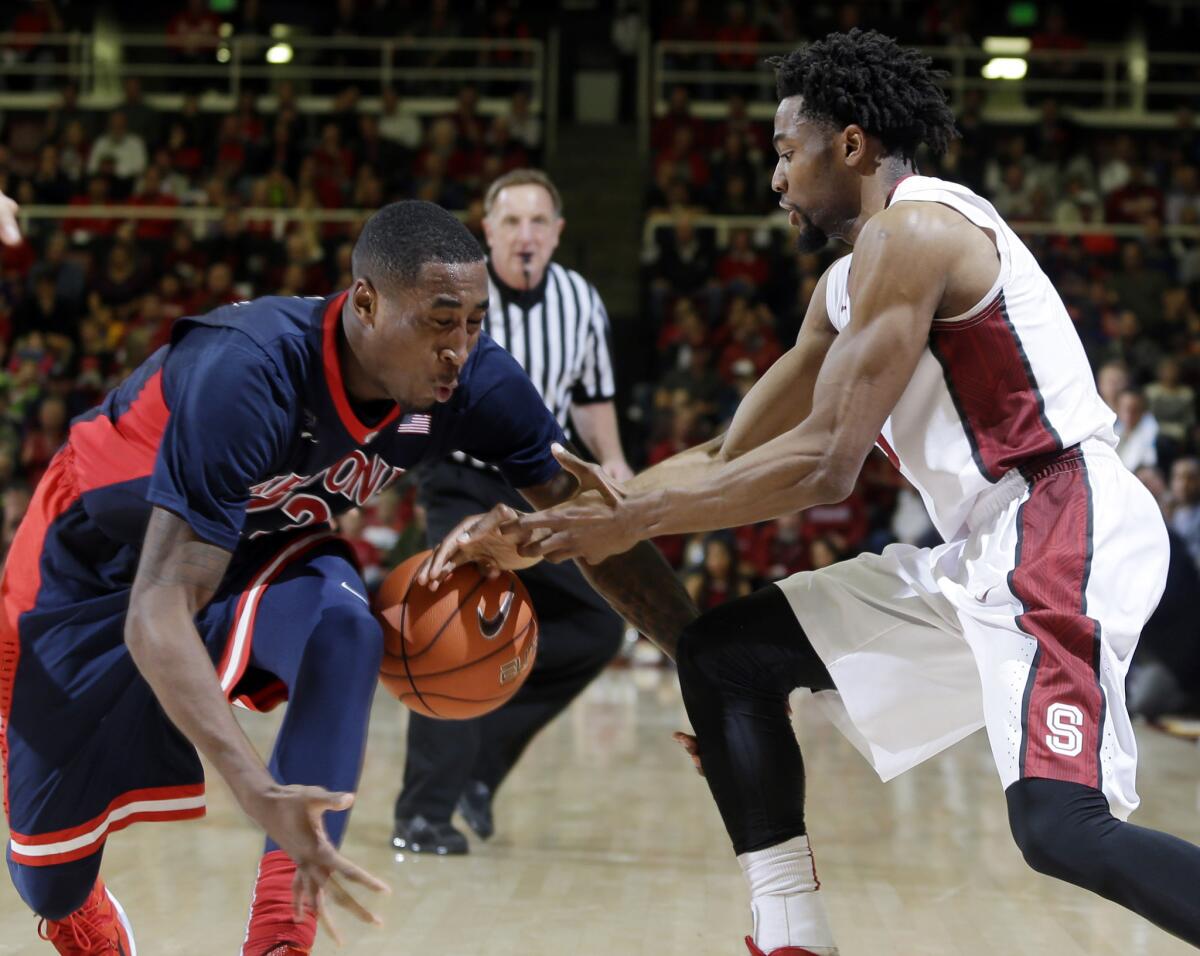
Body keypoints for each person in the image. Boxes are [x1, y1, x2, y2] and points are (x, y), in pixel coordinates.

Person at [430, 30, 1200, 955]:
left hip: (1063, 518)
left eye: (786, 151)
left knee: (1058, 829)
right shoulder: (845, 287)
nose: (776, 179)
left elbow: (824, 466)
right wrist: (561, 523)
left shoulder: (919, 231)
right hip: (986, 544)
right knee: (720, 658)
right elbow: (730, 451)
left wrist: (631, 516)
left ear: (851, 144)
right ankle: (791, 936)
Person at [0, 195, 693, 955]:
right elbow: (154, 612)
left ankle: (280, 936)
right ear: (365, 302)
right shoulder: (248, 370)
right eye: (438, 321)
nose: (459, 348)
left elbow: (596, 524)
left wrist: (702, 662)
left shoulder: (471, 384)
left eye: (475, 322)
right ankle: (73, 904)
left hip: (255, 554)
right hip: (86, 569)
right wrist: (257, 788)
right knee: (47, 876)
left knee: (345, 627)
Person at [393, 169, 635, 855]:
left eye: (538, 223)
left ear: (557, 234)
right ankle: (422, 815)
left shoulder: (581, 301)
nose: (525, 235)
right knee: (449, 630)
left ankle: (479, 768)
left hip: (542, 491)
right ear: (487, 231)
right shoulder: (460, 300)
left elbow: (590, 395)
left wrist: (614, 462)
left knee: (595, 622)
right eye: (511, 222)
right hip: (462, 484)